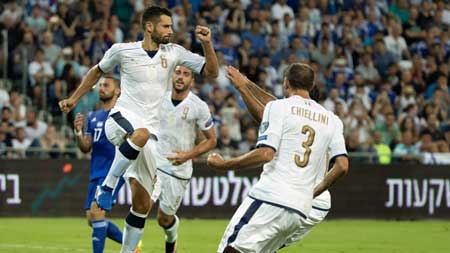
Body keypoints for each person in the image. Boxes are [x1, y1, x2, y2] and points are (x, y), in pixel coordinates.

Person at [59, 6, 218, 253]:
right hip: (121, 119)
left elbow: (211, 72)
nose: (171, 31)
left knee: (142, 205)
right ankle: (108, 186)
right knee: (140, 133)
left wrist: (207, 44)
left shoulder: (175, 53)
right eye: (166, 26)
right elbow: (96, 72)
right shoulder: (123, 51)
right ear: (149, 27)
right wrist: (73, 98)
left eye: (171, 26)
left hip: (147, 138)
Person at [208, 63, 349, 253]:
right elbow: (342, 165)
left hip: (272, 196)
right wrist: (313, 192)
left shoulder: (279, 107)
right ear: (312, 85)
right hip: (301, 208)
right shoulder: (332, 119)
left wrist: (224, 165)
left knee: (230, 249)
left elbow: (266, 153)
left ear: (285, 83)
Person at [153, 65, 217, 253]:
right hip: (154, 162)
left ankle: (171, 240)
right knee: (141, 205)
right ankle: (131, 247)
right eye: (178, 73)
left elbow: (212, 140)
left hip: (177, 169)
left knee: (164, 220)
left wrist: (188, 155)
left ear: (192, 81)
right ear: (172, 75)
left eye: (186, 74)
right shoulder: (159, 97)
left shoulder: (198, 106)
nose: (180, 77)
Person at [74, 75, 128, 253]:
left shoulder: (122, 115)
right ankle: (132, 246)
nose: (101, 88)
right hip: (95, 172)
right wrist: (78, 132)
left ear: (117, 91)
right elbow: (85, 147)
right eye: (100, 85)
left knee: (97, 212)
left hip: (112, 172)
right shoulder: (94, 116)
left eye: (106, 85)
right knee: (92, 218)